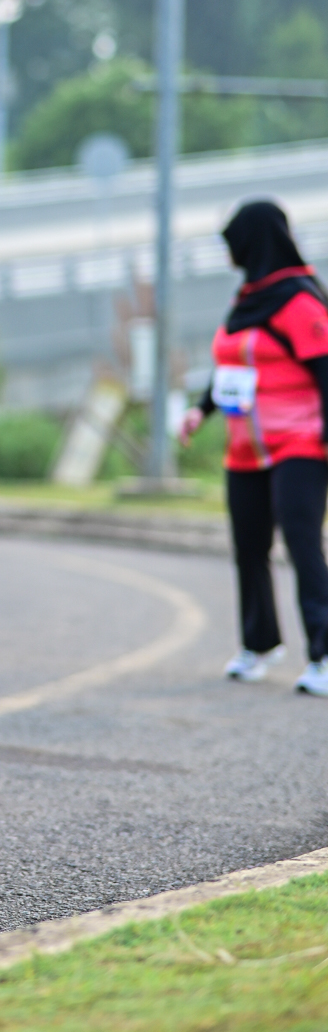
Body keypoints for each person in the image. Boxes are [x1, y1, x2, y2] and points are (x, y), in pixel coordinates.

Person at [181, 199, 328, 695]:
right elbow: (231, 367)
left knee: (302, 544)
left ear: (254, 242)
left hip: (299, 443)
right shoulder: (248, 300)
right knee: (249, 548)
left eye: (233, 243)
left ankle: (324, 655)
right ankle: (258, 645)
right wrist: (201, 410)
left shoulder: (300, 303)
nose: (229, 253)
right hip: (245, 449)